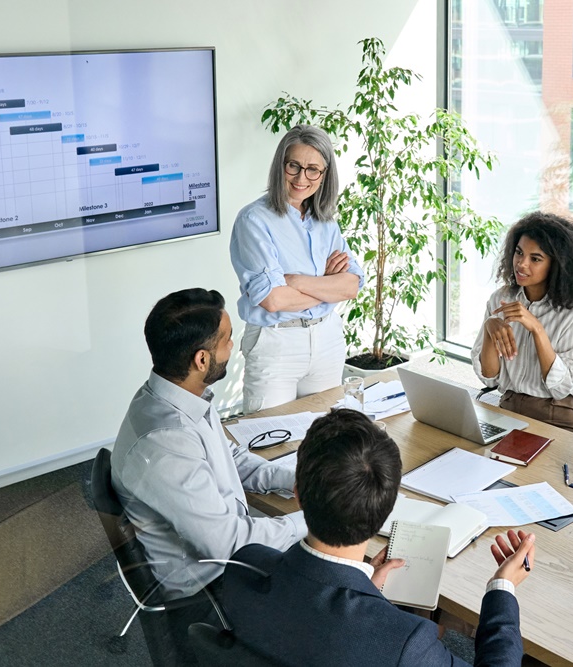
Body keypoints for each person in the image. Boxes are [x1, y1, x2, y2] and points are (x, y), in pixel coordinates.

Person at [218, 409, 533, 666]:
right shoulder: (404, 642)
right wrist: (502, 588)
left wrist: (367, 589)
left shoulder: (243, 566)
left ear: (298, 495)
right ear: (388, 509)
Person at [110, 289, 306, 642]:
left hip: (223, 550)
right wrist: (316, 518)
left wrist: (304, 480)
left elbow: (231, 458)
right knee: (338, 584)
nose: (234, 347)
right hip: (208, 592)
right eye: (228, 340)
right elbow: (229, 545)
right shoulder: (166, 441)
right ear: (202, 360)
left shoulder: (180, 397)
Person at [230, 124, 364, 414]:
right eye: (294, 166)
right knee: (270, 441)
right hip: (276, 342)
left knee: (327, 441)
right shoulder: (254, 220)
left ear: (325, 175)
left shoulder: (326, 221)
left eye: (313, 169)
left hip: (327, 339)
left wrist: (296, 281)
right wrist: (328, 286)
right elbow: (273, 299)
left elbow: (351, 285)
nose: (302, 177)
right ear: (281, 165)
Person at [471, 212, 573, 434]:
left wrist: (537, 329)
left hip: (558, 415)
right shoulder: (500, 299)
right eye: (519, 253)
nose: (521, 264)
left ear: (557, 265)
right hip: (509, 406)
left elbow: (562, 388)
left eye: (535, 259)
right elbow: (490, 377)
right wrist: (489, 330)